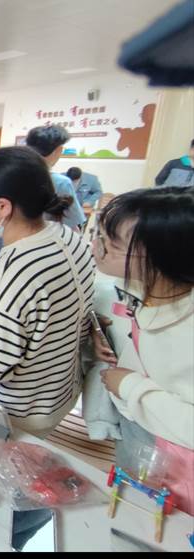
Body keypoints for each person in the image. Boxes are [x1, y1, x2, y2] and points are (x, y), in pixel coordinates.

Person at [0, 146, 96, 437]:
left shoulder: (14, 274)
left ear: (2, 207)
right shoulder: (68, 238)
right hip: (54, 394)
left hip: (12, 411)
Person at [89, 186, 193, 515]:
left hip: (180, 461)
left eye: (111, 242)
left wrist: (131, 387)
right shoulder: (139, 287)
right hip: (137, 430)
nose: (97, 246)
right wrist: (101, 332)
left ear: (160, 256)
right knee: (132, 511)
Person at [25, 125, 86, 231]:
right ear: (59, 150)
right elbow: (72, 222)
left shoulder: (11, 174)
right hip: (45, 237)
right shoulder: (61, 182)